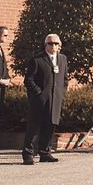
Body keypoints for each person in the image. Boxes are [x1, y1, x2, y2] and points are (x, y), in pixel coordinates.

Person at [22, 34, 68, 164]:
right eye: (50, 43)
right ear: (45, 45)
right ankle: (28, 154)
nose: (53, 46)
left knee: (50, 126)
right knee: (34, 127)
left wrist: (61, 92)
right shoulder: (37, 60)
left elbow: (65, 79)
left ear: (60, 46)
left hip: (55, 100)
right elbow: (29, 80)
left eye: (56, 44)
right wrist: (39, 92)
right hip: (40, 100)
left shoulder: (63, 59)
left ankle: (45, 152)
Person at [0, 26, 11, 148]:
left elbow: (3, 67)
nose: (7, 38)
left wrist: (7, 77)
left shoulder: (0, 49)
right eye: (5, 35)